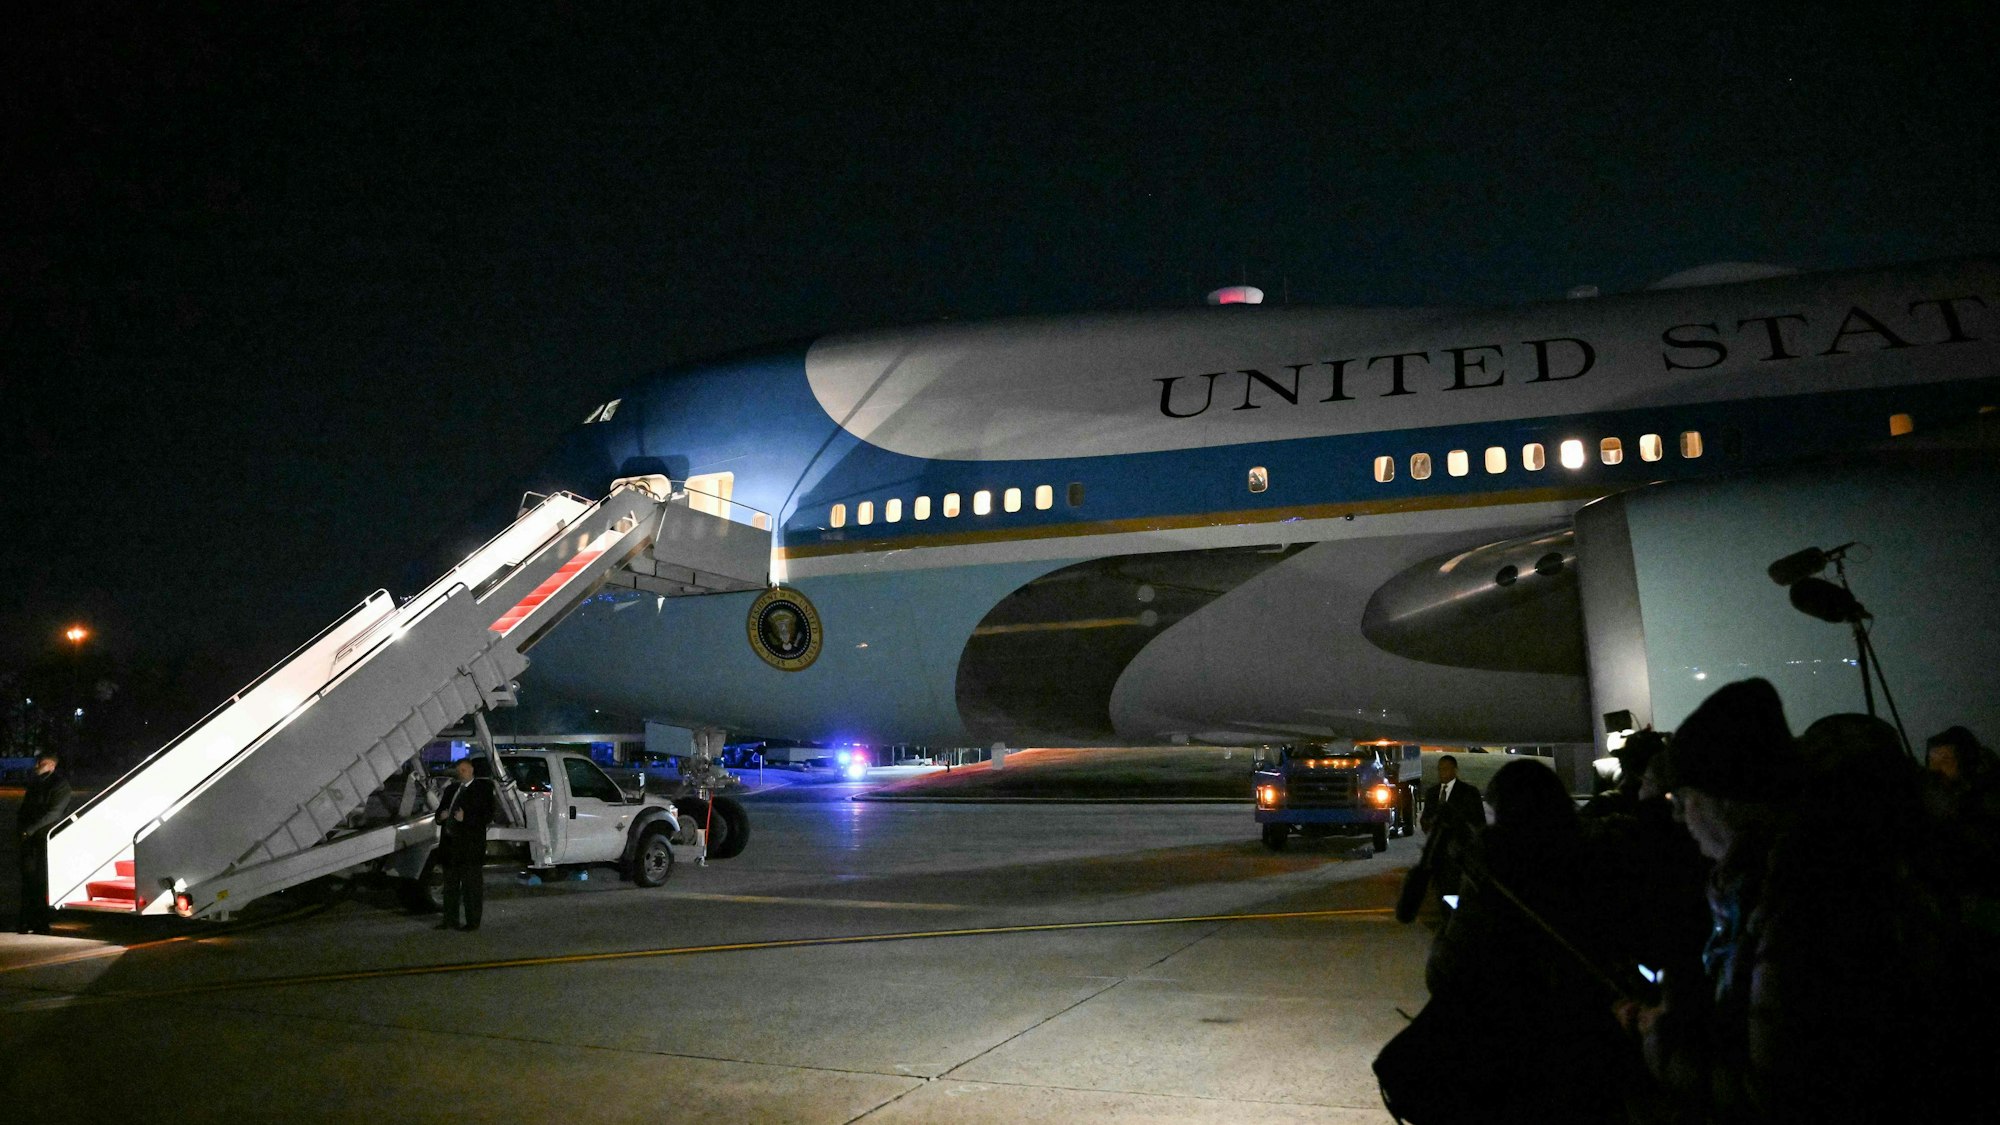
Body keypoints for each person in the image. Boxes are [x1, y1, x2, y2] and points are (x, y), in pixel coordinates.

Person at [1617, 682, 1957, 1124]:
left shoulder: (1803, 904)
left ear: (1724, 800)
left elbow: (1774, 1093)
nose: (1681, 818)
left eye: (1683, 799)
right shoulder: (1772, 883)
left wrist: (1657, 1039)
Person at [1419, 758, 1631, 1123]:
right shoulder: (1602, 860)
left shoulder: (1495, 873)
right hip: (1593, 1048)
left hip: (1512, 1053)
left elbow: (1445, 971)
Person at [16, 749, 74, 935]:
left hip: (45, 838)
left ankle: (40, 921)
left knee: (41, 881)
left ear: (51, 765)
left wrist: (30, 829)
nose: (36, 767)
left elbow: (54, 814)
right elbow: (25, 808)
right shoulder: (36, 784)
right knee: (28, 880)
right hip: (30, 837)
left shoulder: (60, 785)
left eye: (40, 764)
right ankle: (27, 920)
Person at [433, 758, 495, 931]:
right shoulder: (452, 789)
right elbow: (439, 812)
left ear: (472, 770)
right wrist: (441, 817)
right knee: (450, 887)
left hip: (469, 847)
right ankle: (449, 920)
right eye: (459, 770)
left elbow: (487, 815)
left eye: (464, 770)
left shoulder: (482, 789)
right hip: (450, 846)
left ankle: (472, 922)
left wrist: (466, 818)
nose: (461, 773)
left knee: (471, 888)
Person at [1419, 754, 1483, 906]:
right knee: (1442, 889)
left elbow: (1479, 821)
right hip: (1438, 853)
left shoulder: (1469, 793)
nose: (1442, 773)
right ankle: (1447, 914)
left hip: (1459, 852)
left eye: (1446, 769)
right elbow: (1425, 817)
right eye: (1440, 769)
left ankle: (1453, 916)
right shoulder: (1432, 793)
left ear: (1455, 770)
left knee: (1455, 889)